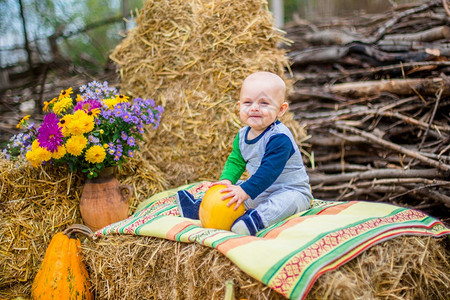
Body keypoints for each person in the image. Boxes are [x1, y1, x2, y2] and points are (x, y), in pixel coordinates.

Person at [176, 71, 312, 235]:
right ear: (239, 106)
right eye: (248, 102)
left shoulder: (279, 138)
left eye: (264, 103)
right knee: (231, 190)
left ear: (281, 110)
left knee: (285, 202)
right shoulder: (242, 135)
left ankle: (255, 221)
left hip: (289, 189)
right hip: (260, 189)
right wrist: (227, 180)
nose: (254, 107)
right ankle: (201, 208)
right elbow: (236, 161)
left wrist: (246, 191)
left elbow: (268, 172)